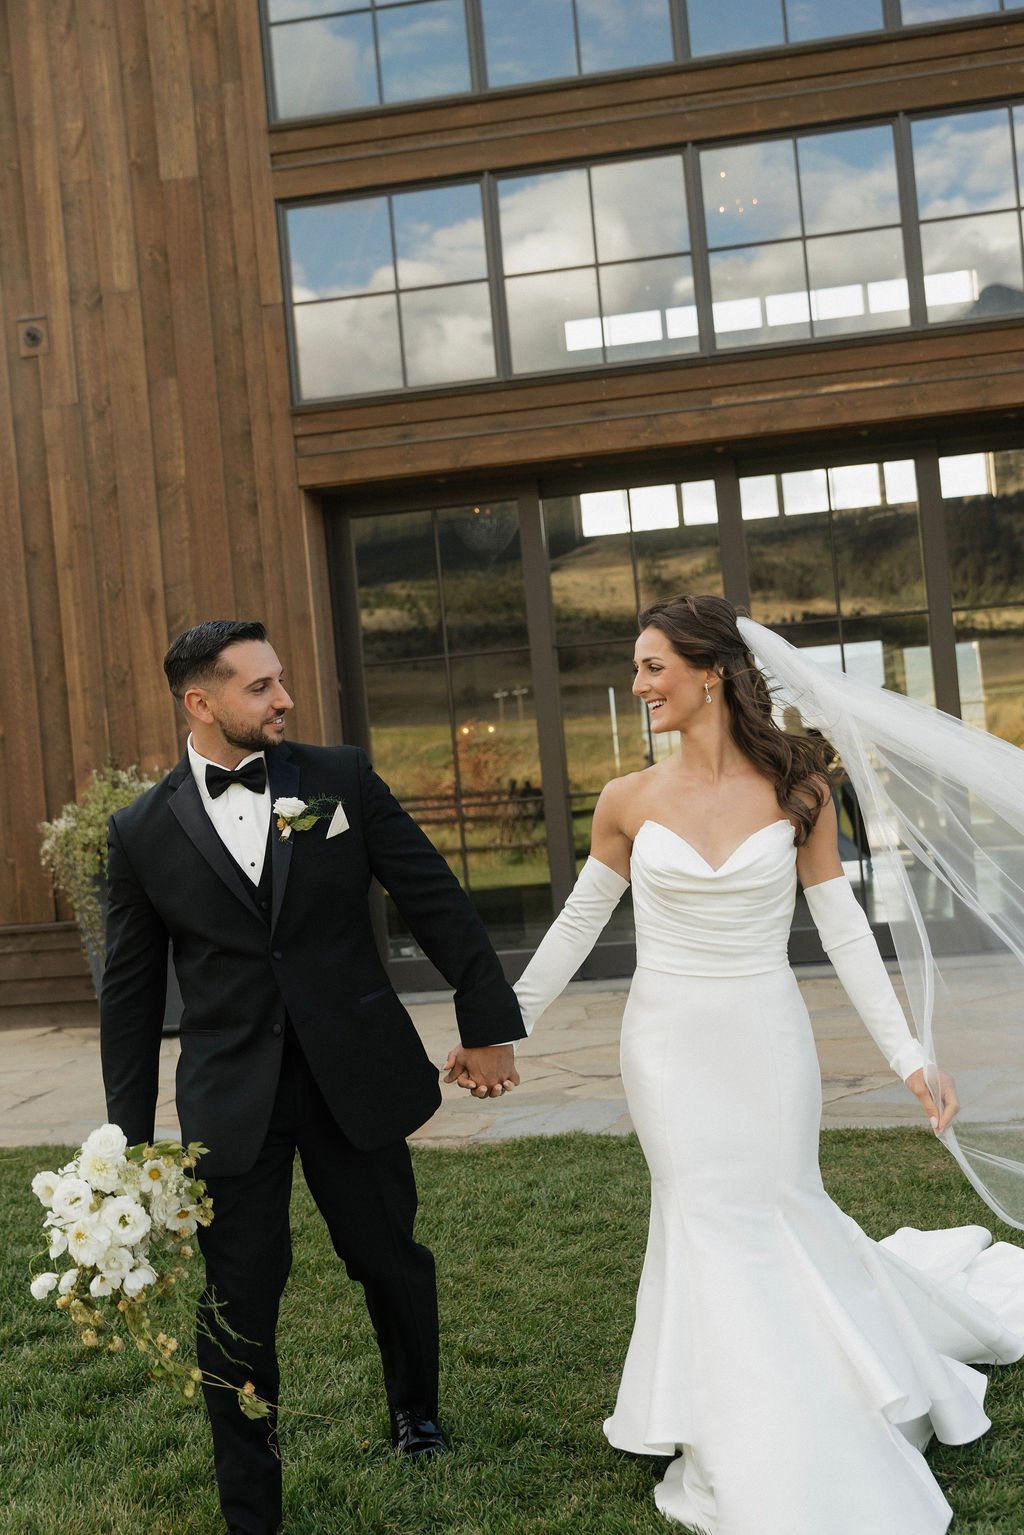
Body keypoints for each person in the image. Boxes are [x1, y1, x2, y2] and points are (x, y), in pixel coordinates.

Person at [447, 593, 1024, 1535]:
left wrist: (913, 1056)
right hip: (668, 1044)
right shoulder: (628, 800)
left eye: (651, 667)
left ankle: (824, 1392)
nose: (638, 687)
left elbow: (842, 931)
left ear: (711, 671)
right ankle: (733, 1419)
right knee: (705, 1213)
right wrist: (500, 1026)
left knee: (784, 1201)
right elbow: (579, 922)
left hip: (767, 1035)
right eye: (637, 669)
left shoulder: (799, 788)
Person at [100, 620, 523, 1535]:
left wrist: (486, 1021)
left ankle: (417, 1409)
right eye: (259, 687)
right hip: (232, 1096)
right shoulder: (139, 832)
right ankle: (250, 1496)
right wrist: (125, 1141)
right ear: (200, 703)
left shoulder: (340, 779)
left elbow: (434, 896)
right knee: (239, 1296)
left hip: (355, 1071)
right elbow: (128, 1000)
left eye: (280, 679)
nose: (283, 698)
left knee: (387, 1256)